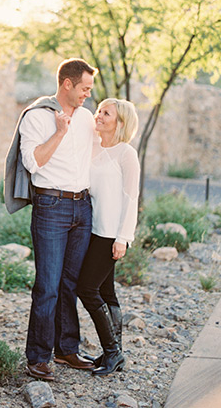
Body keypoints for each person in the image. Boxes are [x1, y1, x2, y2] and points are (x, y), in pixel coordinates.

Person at [3, 58, 98, 382]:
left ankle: (66, 349)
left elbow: (100, 153)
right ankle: (39, 357)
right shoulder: (37, 116)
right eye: (84, 88)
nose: (88, 94)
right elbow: (33, 162)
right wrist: (59, 132)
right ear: (67, 84)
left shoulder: (86, 117)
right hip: (51, 207)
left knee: (69, 284)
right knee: (47, 286)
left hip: (81, 207)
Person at [77, 98, 139, 376]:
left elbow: (131, 197)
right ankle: (114, 353)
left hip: (110, 234)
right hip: (92, 230)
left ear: (120, 122)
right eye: (99, 110)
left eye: (106, 113)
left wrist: (123, 237)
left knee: (86, 289)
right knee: (105, 291)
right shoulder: (94, 146)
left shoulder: (126, 153)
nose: (98, 115)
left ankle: (113, 352)